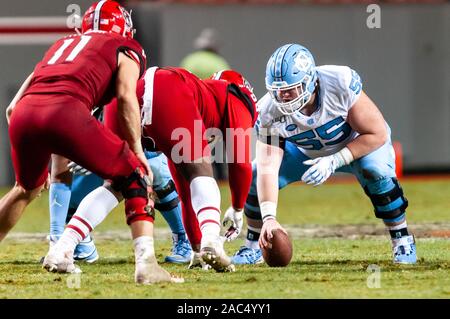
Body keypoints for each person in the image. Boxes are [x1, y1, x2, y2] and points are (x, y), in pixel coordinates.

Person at [1, 0, 180, 284]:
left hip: (25, 116)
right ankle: (147, 266)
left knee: (24, 189)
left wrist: (37, 151)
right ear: (123, 26)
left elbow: (12, 108)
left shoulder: (62, 45)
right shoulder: (126, 47)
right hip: (66, 110)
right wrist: (136, 151)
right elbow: (125, 97)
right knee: (134, 173)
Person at [49, 67, 258, 273]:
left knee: (117, 185)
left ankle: (63, 247)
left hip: (128, 93)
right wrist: (238, 208)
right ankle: (212, 238)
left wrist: (196, 249)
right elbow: (240, 162)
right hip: (165, 87)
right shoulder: (235, 95)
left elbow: (185, 194)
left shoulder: (199, 100)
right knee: (201, 170)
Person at [230, 43, 417, 265]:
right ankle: (253, 245)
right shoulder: (268, 110)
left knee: (375, 171)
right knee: (255, 173)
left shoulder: (339, 82)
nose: (283, 97)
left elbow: (377, 134)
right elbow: (268, 167)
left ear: (310, 81)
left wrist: (334, 161)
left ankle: (401, 238)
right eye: (277, 91)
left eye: (290, 89)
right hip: (304, 153)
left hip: (356, 145)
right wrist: (270, 217)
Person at [180, 28, 232, 181]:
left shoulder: (190, 60)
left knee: (193, 145)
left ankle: (193, 176)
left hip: (192, 109)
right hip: (213, 110)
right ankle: (220, 178)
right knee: (215, 146)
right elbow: (227, 87)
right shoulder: (219, 62)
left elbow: (181, 84)